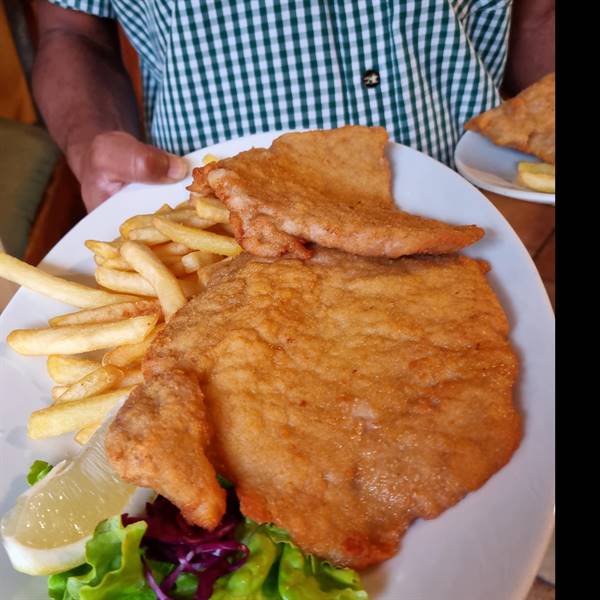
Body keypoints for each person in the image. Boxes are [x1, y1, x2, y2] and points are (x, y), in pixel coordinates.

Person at [33, 0, 554, 211]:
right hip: (220, 234)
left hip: (471, 211)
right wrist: (90, 143)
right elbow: (69, 27)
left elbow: (533, 17)